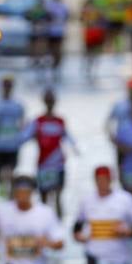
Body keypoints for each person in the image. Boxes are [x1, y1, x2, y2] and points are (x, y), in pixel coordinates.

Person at [21, 89, 78, 219]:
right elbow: (23, 138)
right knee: (44, 200)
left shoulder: (60, 121)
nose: (50, 103)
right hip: (43, 165)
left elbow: (68, 136)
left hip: (58, 164)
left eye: (51, 100)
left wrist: (75, 148)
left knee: (58, 197)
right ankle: (44, 225)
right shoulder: (38, 121)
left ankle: (59, 229)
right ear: (44, 102)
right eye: (48, 100)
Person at [0, 76, 25, 198]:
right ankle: (2, 189)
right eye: (5, 85)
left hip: (12, 144)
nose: (7, 87)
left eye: (9, 85)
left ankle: (10, 193)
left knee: (11, 170)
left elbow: (23, 123)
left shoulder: (18, 105)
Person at [46, 0, 69, 71]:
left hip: (52, 30)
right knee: (57, 47)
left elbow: (47, 16)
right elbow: (67, 16)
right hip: (59, 30)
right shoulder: (63, 6)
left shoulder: (49, 5)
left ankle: (55, 60)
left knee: (52, 47)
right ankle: (57, 60)